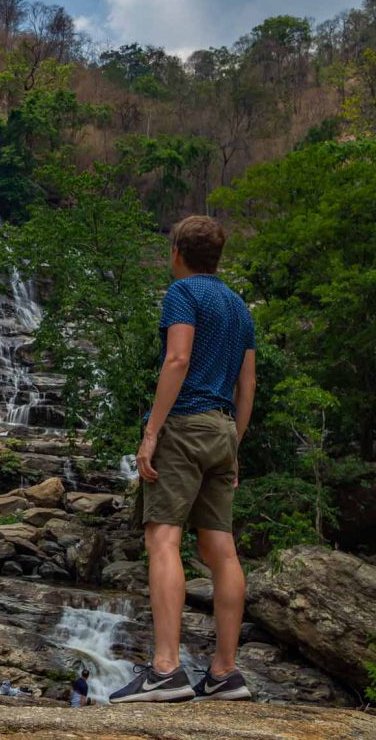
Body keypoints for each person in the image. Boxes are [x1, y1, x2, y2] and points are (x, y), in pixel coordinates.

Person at [109, 216, 256, 704]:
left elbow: (177, 359)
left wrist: (152, 431)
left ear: (177, 252)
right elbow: (247, 385)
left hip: (184, 424)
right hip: (221, 430)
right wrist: (234, 443)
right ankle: (225, 673)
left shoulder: (182, 293)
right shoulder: (238, 307)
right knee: (222, 551)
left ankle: (167, 670)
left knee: (163, 539)